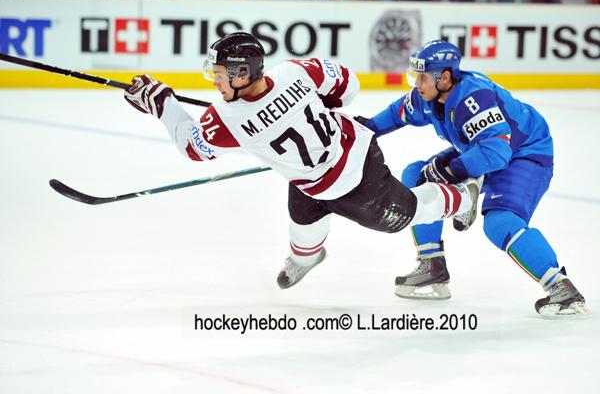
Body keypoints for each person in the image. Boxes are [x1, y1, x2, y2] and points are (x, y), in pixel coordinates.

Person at [122, 32, 481, 291]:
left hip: (358, 176)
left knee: (407, 213)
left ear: (242, 74)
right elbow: (348, 84)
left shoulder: (227, 120)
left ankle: (463, 197)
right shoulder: (293, 71)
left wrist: (162, 102)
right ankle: (306, 259)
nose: (214, 81)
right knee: (303, 218)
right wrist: (324, 105)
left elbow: (193, 148)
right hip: (316, 174)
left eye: (218, 75)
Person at [354, 40, 589, 317]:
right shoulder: (427, 95)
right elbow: (398, 113)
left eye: (423, 77)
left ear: (444, 77)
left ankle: (560, 287)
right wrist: (365, 130)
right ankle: (432, 265)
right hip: (484, 148)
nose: (416, 84)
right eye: (415, 76)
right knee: (416, 177)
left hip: (526, 154)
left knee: (500, 222)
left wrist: (451, 172)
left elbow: (497, 152)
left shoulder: (473, 98)